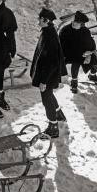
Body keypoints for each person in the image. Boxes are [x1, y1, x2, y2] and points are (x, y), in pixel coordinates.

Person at [30, 8, 67, 138]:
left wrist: (44, 81)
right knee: (49, 95)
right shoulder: (48, 31)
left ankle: (53, 127)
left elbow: (51, 62)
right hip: (49, 74)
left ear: (45, 20)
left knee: (47, 100)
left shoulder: (49, 36)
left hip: (48, 75)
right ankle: (58, 114)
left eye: (40, 18)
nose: (38, 20)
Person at [59, 11, 97, 94]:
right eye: (73, 21)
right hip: (68, 53)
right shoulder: (65, 30)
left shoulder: (85, 31)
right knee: (76, 62)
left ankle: (92, 75)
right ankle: (74, 83)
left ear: (82, 24)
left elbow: (91, 44)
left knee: (94, 58)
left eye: (77, 22)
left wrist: (89, 53)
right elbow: (60, 46)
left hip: (82, 53)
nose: (73, 23)